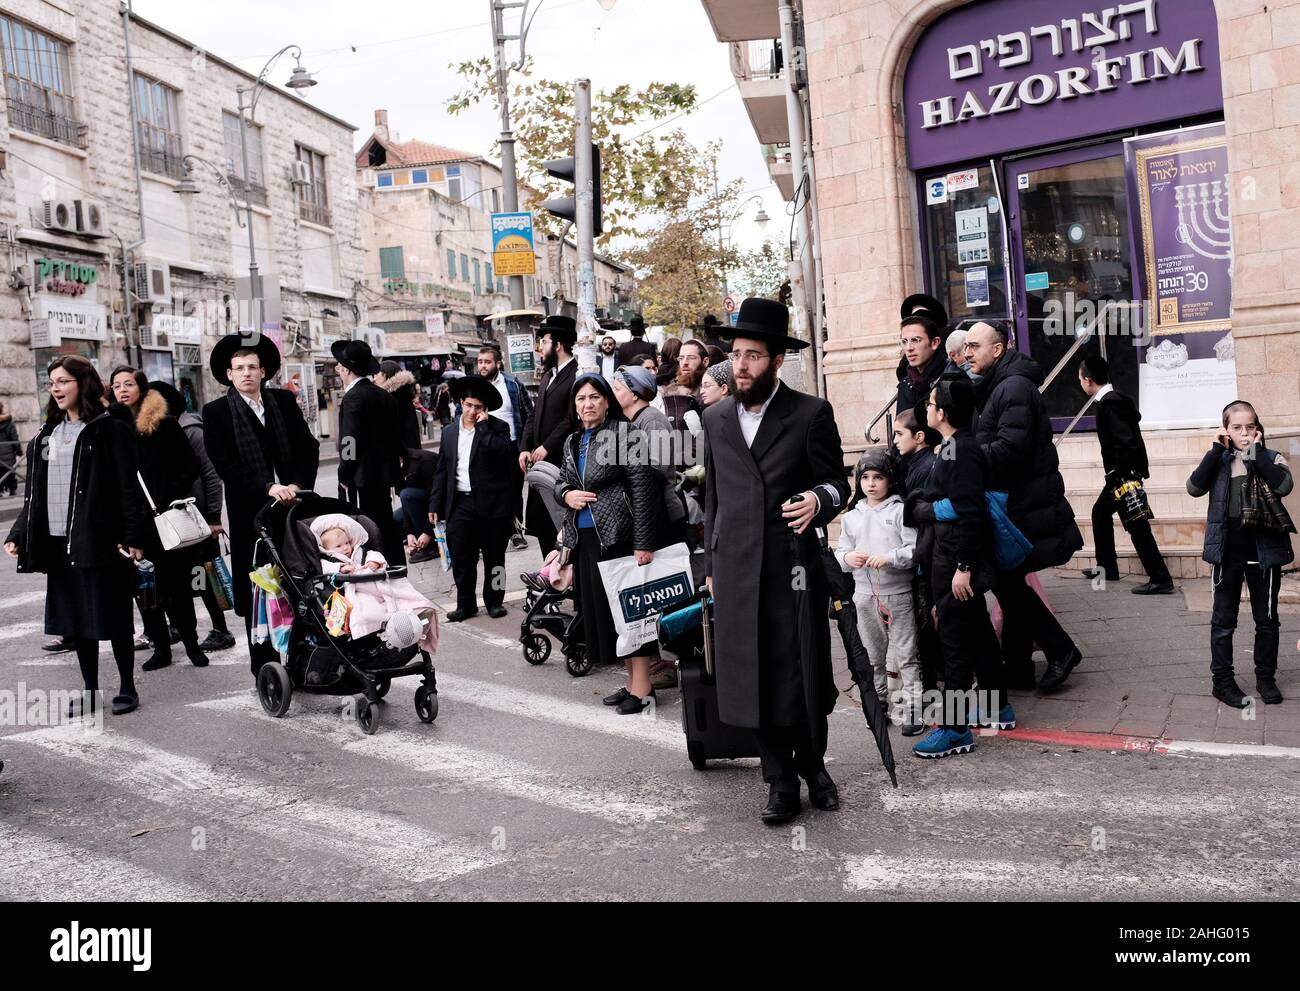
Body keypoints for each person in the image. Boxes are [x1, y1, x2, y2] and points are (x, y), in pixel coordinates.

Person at [702, 297, 850, 825]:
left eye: (754, 356)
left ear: (777, 360)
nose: (740, 366)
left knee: (800, 675)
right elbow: (714, 497)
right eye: (737, 355)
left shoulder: (810, 413)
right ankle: (779, 781)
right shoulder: (715, 418)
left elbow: (841, 484)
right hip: (737, 572)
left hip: (794, 570)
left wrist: (819, 500)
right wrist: (711, 568)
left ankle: (814, 768)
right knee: (750, 678)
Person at [5, 355, 152, 716]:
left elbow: (128, 487)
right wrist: (20, 531)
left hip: (101, 539)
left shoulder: (109, 428)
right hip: (59, 541)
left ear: (82, 384)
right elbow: (36, 492)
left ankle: (127, 688)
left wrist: (134, 535)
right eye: (52, 382)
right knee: (76, 618)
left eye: (63, 381)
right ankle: (89, 690)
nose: (55, 388)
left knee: (114, 614)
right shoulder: (48, 433)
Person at [964, 320, 1083, 691]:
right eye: (966, 346)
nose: (967, 353)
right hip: (1015, 503)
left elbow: (1010, 449)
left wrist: (965, 457)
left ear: (997, 350)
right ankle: (1018, 667)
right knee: (1009, 583)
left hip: (1020, 504)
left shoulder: (1012, 386)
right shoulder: (997, 384)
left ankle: (1061, 649)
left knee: (1007, 583)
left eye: (974, 346)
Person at [202, 333, 319, 675]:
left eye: (252, 367)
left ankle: (305, 654)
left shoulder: (282, 402)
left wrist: (296, 485)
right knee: (259, 586)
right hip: (250, 514)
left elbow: (308, 447)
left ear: (264, 371)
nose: (246, 373)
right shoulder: (217, 412)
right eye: (239, 368)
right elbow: (225, 464)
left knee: (300, 579)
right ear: (228, 374)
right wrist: (268, 487)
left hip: (294, 507)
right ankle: (264, 664)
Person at [905, 379, 1010, 758]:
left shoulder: (958, 451)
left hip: (954, 560)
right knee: (979, 631)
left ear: (943, 413)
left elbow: (971, 513)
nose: (927, 408)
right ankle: (999, 706)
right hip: (951, 557)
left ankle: (954, 730)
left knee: (954, 643)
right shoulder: (955, 447)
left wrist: (963, 567)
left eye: (931, 403)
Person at [555, 373, 658, 713]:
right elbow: (561, 482)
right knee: (607, 616)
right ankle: (631, 683)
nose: (588, 404)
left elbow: (643, 489)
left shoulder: (624, 433)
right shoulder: (573, 440)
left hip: (619, 537)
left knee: (629, 613)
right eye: (582, 398)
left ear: (606, 402)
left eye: (595, 397)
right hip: (586, 540)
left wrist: (643, 543)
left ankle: (643, 688)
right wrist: (567, 494)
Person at [1187, 400, 1294, 708]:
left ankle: (1265, 678)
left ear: (1258, 429)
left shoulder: (1271, 457)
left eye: (1249, 427)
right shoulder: (1219, 460)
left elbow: (1284, 485)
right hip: (1226, 553)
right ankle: (1222, 682)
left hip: (1264, 553)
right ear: (1226, 430)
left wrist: (1257, 454)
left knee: (1267, 619)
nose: (1244, 433)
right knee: (1223, 621)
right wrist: (1214, 449)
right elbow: (1194, 488)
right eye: (1236, 427)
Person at [110, 367, 206, 671]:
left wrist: (167, 494)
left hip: (164, 519)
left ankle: (192, 645)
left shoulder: (163, 425)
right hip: (130, 521)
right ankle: (161, 648)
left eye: (128, 384)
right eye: (115, 386)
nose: (122, 390)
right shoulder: (110, 428)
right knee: (145, 588)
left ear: (141, 388)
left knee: (177, 587)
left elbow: (190, 464)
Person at [610, 364, 690, 691]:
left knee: (663, 590)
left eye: (617, 387)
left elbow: (659, 469)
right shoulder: (629, 422)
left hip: (662, 516)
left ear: (635, 392)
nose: (612, 392)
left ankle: (668, 662)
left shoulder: (651, 419)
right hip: (645, 515)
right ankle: (654, 659)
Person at [836, 448, 921, 735]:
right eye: (866, 477)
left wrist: (890, 558)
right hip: (863, 596)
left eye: (879, 477)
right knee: (873, 657)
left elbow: (913, 550)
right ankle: (879, 703)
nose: (871, 484)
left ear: (890, 480)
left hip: (897, 594)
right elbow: (841, 551)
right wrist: (848, 559)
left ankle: (913, 708)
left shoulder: (900, 510)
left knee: (907, 654)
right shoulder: (852, 517)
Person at [152, 381, 236, 652]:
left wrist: (213, 516)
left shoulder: (192, 431)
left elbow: (212, 476)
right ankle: (179, 626)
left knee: (203, 574)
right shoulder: (164, 430)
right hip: (175, 517)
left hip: (196, 517)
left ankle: (221, 629)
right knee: (180, 577)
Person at [1078, 355, 1173, 594]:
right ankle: (1107, 567)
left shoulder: (1111, 404)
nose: (1080, 383)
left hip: (1122, 476)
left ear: (1088, 380)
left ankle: (1161, 578)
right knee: (1100, 514)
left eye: (1080, 379)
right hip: (1119, 475)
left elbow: (1126, 442)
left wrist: (1123, 474)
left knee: (1137, 526)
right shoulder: (1111, 401)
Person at [429, 376, 517, 622]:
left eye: (478, 407)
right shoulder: (448, 432)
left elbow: (502, 454)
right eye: (468, 405)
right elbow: (442, 471)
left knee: (495, 559)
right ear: (461, 403)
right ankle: (465, 604)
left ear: (485, 409)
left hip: (493, 505)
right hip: (460, 504)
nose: (472, 411)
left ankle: (495, 601)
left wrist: (483, 426)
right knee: (461, 558)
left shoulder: (498, 428)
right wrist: (435, 504)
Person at [311, 513, 438, 653]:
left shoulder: (360, 552)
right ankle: (387, 624)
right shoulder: (330, 560)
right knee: (366, 610)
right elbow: (323, 567)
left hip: (378, 582)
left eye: (347, 543)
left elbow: (374, 554)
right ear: (327, 549)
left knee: (402, 592)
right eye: (339, 546)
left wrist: (374, 562)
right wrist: (340, 568)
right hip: (357, 589)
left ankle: (418, 610)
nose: (346, 548)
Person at [333, 339, 405, 566]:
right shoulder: (383, 394)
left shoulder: (354, 397)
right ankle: (395, 565)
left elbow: (349, 441)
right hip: (383, 475)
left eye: (338, 366)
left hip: (362, 478)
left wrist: (344, 473)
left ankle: (376, 568)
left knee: (366, 527)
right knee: (385, 522)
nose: (337, 370)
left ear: (346, 369)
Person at [892, 405, 943, 695]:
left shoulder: (924, 468)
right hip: (928, 556)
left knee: (930, 623)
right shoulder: (915, 464)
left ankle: (933, 683)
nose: (895, 440)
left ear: (920, 436)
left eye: (900, 434)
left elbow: (923, 518)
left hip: (930, 557)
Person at [519, 315, 579, 556]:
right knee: (543, 526)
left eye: (544, 342)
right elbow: (534, 415)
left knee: (561, 525)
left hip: (560, 462)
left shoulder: (576, 374)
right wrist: (525, 446)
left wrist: (547, 446)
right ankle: (549, 578)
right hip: (539, 463)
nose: (540, 349)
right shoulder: (547, 375)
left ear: (558, 345)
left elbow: (571, 418)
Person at [476, 344, 533, 550]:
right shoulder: (472, 388)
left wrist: (525, 446)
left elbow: (528, 415)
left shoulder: (513, 385)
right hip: (482, 448)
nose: (483, 366)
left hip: (510, 447)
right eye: (480, 362)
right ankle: (490, 532)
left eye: (487, 362)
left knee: (513, 490)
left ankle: (516, 532)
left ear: (498, 363)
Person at [376, 360, 422, 455]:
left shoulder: (392, 397)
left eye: (377, 373)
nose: (374, 377)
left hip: (400, 454)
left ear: (385, 375)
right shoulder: (401, 393)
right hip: (408, 450)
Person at [661, 340, 705, 437]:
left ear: (705, 361)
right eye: (681, 358)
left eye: (691, 358)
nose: (684, 363)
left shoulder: (711, 391)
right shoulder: (670, 391)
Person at [0, 400, 19, 496]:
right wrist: (19, 451)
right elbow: (14, 438)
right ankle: (12, 490)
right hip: (9, 453)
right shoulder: (9, 422)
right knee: (10, 472)